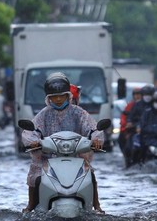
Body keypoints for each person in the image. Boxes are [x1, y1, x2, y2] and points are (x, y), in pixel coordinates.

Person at [22, 72, 104, 213]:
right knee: (36, 176)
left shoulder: (79, 112)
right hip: (48, 158)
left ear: (68, 96)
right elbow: (32, 130)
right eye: (54, 96)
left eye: (62, 95)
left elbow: (92, 127)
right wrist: (34, 142)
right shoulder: (44, 114)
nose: (58, 99)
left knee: (90, 174)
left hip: (76, 156)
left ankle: (96, 206)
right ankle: (30, 206)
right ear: (49, 98)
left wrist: (96, 139)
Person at [134, 89, 157, 165]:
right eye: (156, 102)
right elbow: (143, 126)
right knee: (137, 149)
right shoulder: (147, 113)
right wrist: (155, 129)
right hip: (149, 140)